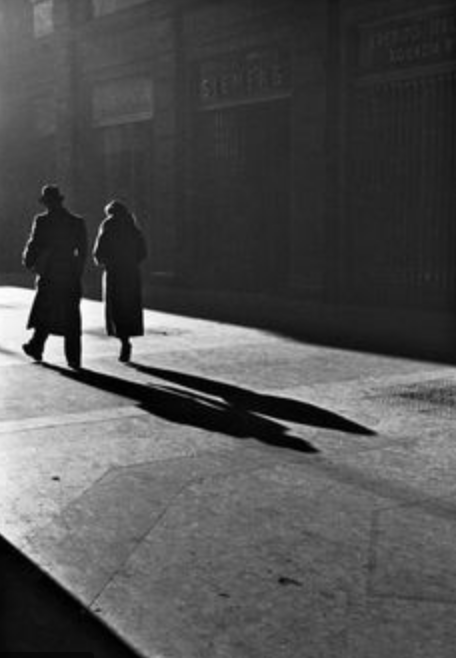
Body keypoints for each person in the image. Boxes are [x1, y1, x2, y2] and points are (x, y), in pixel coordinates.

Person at [22, 184, 87, 369]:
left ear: (47, 203)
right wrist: (77, 271)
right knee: (71, 316)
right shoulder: (76, 221)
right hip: (69, 273)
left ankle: (36, 346)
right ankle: (73, 358)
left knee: (45, 311)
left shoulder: (42, 221)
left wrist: (29, 261)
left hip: (49, 272)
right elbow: (83, 251)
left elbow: (34, 244)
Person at [92, 200, 147, 362]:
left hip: (114, 272)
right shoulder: (133, 227)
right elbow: (143, 252)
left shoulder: (108, 224)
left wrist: (105, 261)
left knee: (116, 308)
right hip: (131, 273)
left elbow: (99, 252)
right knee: (129, 306)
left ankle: (124, 341)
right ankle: (127, 338)